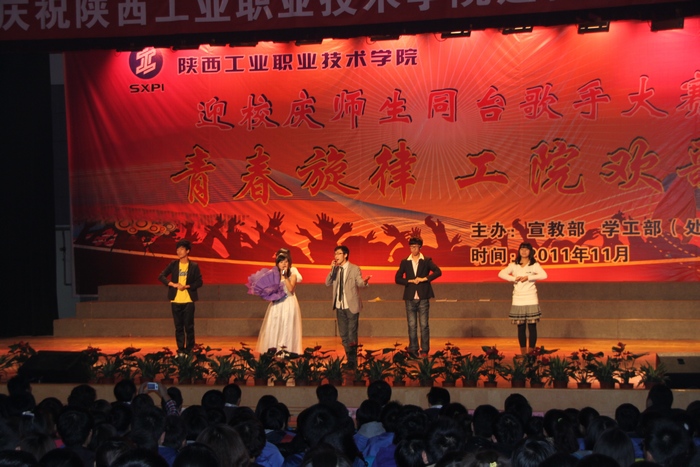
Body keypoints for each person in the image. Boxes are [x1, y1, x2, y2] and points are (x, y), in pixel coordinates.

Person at [394, 237, 442, 357]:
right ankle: (413, 349)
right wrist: (409, 281)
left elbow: (438, 271)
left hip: (423, 297)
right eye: (411, 247)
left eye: (415, 247)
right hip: (410, 297)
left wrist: (425, 279)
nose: (413, 249)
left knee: (424, 325)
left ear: (420, 247)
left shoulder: (426, 260)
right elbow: (397, 278)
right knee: (412, 325)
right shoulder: (405, 261)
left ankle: (424, 350)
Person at [325, 245, 371, 368]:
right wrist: (332, 270)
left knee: (352, 334)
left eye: (339, 254)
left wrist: (365, 282)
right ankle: (350, 360)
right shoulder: (336, 270)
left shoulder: (354, 268)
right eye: (335, 254)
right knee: (344, 335)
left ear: (345, 255)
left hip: (351, 306)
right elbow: (327, 283)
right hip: (339, 306)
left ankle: (352, 362)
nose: (336, 256)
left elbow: (359, 282)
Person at [497, 242, 547, 355]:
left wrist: (528, 277)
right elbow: (501, 273)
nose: (524, 251)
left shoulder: (534, 265)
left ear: (530, 252)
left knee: (532, 327)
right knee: (521, 327)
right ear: (519, 251)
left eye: (526, 249)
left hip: (531, 298)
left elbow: (544, 275)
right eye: (522, 249)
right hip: (518, 299)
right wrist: (514, 278)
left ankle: (531, 353)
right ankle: (523, 353)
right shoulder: (513, 265)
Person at [158, 239, 203, 354]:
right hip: (175, 300)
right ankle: (181, 350)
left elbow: (199, 282)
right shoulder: (173, 264)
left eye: (181, 249)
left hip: (188, 300)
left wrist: (187, 286)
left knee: (189, 327)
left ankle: (189, 350)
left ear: (187, 251)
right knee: (178, 327)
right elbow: (161, 276)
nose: (179, 251)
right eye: (177, 249)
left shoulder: (193, 266)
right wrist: (173, 284)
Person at [255, 251, 303, 354]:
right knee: (275, 325)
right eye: (281, 262)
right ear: (277, 264)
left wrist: (285, 277)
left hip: (289, 303)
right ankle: (273, 350)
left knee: (287, 326)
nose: (284, 264)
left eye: (286, 261)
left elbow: (291, 289)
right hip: (277, 304)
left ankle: (286, 351)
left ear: (289, 263)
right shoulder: (273, 276)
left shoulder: (293, 274)